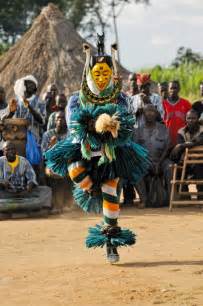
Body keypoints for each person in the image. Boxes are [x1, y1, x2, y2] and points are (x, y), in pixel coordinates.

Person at [45, 39, 150, 264]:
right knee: (75, 171)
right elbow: (75, 123)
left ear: (111, 73)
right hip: (83, 151)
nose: (101, 77)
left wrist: (114, 125)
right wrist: (94, 125)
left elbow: (127, 120)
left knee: (111, 196)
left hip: (111, 155)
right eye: (97, 72)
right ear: (90, 73)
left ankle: (111, 245)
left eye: (105, 72)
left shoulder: (119, 97)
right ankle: (91, 189)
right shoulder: (76, 98)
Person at [134, 104, 172, 207]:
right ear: (143, 114)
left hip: (162, 159)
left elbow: (168, 147)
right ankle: (144, 200)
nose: (150, 113)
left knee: (170, 167)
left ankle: (171, 198)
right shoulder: (138, 131)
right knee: (136, 169)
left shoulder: (163, 128)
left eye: (153, 111)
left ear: (156, 114)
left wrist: (159, 163)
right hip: (145, 160)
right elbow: (136, 150)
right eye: (147, 111)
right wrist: (147, 161)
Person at [2, 75, 46, 144]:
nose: (31, 86)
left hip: (34, 138)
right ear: (24, 85)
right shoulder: (15, 101)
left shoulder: (40, 102)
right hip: (17, 137)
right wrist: (11, 112)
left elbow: (42, 121)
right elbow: (5, 121)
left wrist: (30, 107)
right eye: (29, 83)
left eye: (33, 84)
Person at [171, 109, 203, 194]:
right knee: (177, 168)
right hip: (185, 161)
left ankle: (200, 195)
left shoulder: (202, 130)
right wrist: (183, 146)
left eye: (193, 118)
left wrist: (182, 145)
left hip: (200, 161)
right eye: (188, 118)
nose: (191, 120)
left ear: (198, 119)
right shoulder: (181, 131)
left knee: (198, 167)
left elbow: (200, 141)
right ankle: (184, 195)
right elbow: (180, 147)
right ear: (185, 119)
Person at [162, 80, 191, 146]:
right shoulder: (163, 104)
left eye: (175, 88)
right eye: (171, 88)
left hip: (182, 139)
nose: (173, 90)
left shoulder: (186, 103)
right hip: (167, 139)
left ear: (179, 89)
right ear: (168, 89)